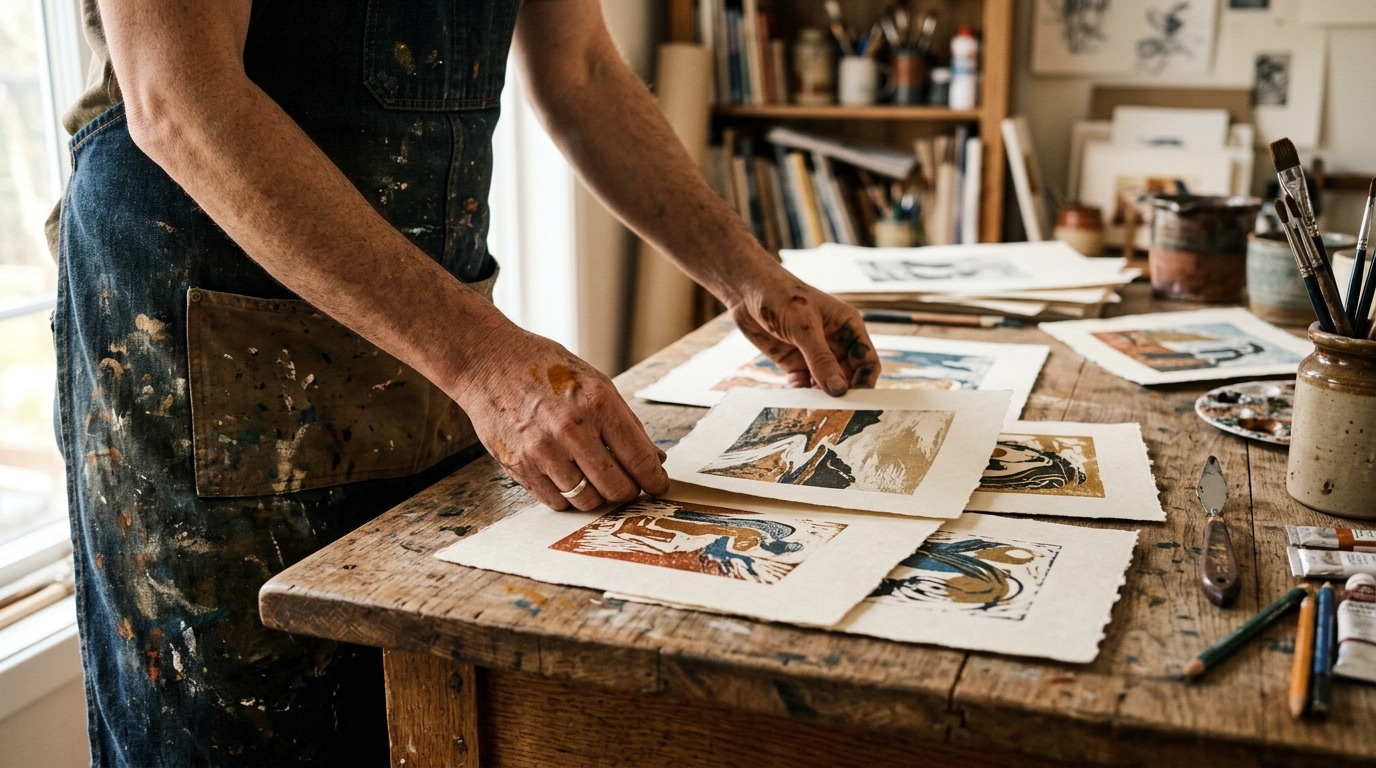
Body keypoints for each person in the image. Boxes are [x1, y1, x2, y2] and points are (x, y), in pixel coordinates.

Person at [50, 0, 881, 764]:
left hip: (427, 343)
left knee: (426, 724)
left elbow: (580, 70)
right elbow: (180, 100)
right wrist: (483, 361)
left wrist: (747, 274)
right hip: (212, 353)